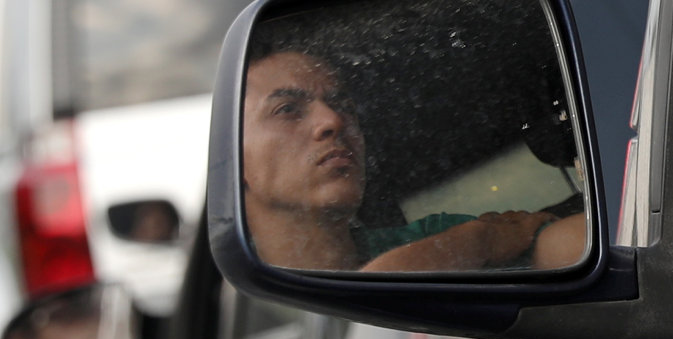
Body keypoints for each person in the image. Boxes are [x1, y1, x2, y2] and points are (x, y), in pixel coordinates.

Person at [239, 36, 590, 275]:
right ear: (233, 162)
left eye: (343, 105)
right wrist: (475, 243)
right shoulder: (250, 294)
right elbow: (369, 296)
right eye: (287, 109)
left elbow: (572, 245)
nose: (332, 120)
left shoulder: (432, 235)